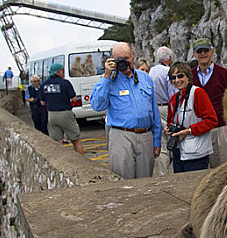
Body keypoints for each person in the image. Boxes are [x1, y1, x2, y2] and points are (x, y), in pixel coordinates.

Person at [90, 42, 162, 179]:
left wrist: (156, 140)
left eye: (127, 58)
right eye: (120, 59)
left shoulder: (145, 78)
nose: (124, 62)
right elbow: (97, 105)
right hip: (121, 135)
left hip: (145, 135)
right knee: (123, 181)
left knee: (146, 181)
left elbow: (154, 111)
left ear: (133, 56)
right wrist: (106, 77)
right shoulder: (108, 80)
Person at [166, 62, 218, 173]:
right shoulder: (174, 99)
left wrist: (189, 131)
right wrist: (170, 129)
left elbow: (212, 120)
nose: (177, 80)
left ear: (188, 77)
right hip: (178, 151)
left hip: (197, 153)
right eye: (173, 77)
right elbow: (171, 121)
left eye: (180, 76)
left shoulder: (198, 93)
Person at [191, 38, 227, 168]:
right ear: (194, 54)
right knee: (200, 170)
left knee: (224, 168)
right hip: (198, 129)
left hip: (220, 128)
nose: (203, 54)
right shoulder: (190, 76)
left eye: (206, 50)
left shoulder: (224, 74)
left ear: (212, 52)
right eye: (199, 51)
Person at [39, 63, 84, 155]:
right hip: (65, 113)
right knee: (75, 140)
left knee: (57, 142)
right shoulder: (65, 83)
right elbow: (74, 98)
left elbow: (42, 102)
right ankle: (83, 162)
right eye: (62, 71)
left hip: (52, 114)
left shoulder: (43, 85)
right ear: (59, 72)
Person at [149, 46, 178, 176]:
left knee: (162, 141)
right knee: (173, 137)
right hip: (167, 107)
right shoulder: (168, 72)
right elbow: (173, 93)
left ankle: (163, 172)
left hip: (155, 107)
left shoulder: (151, 71)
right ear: (170, 58)